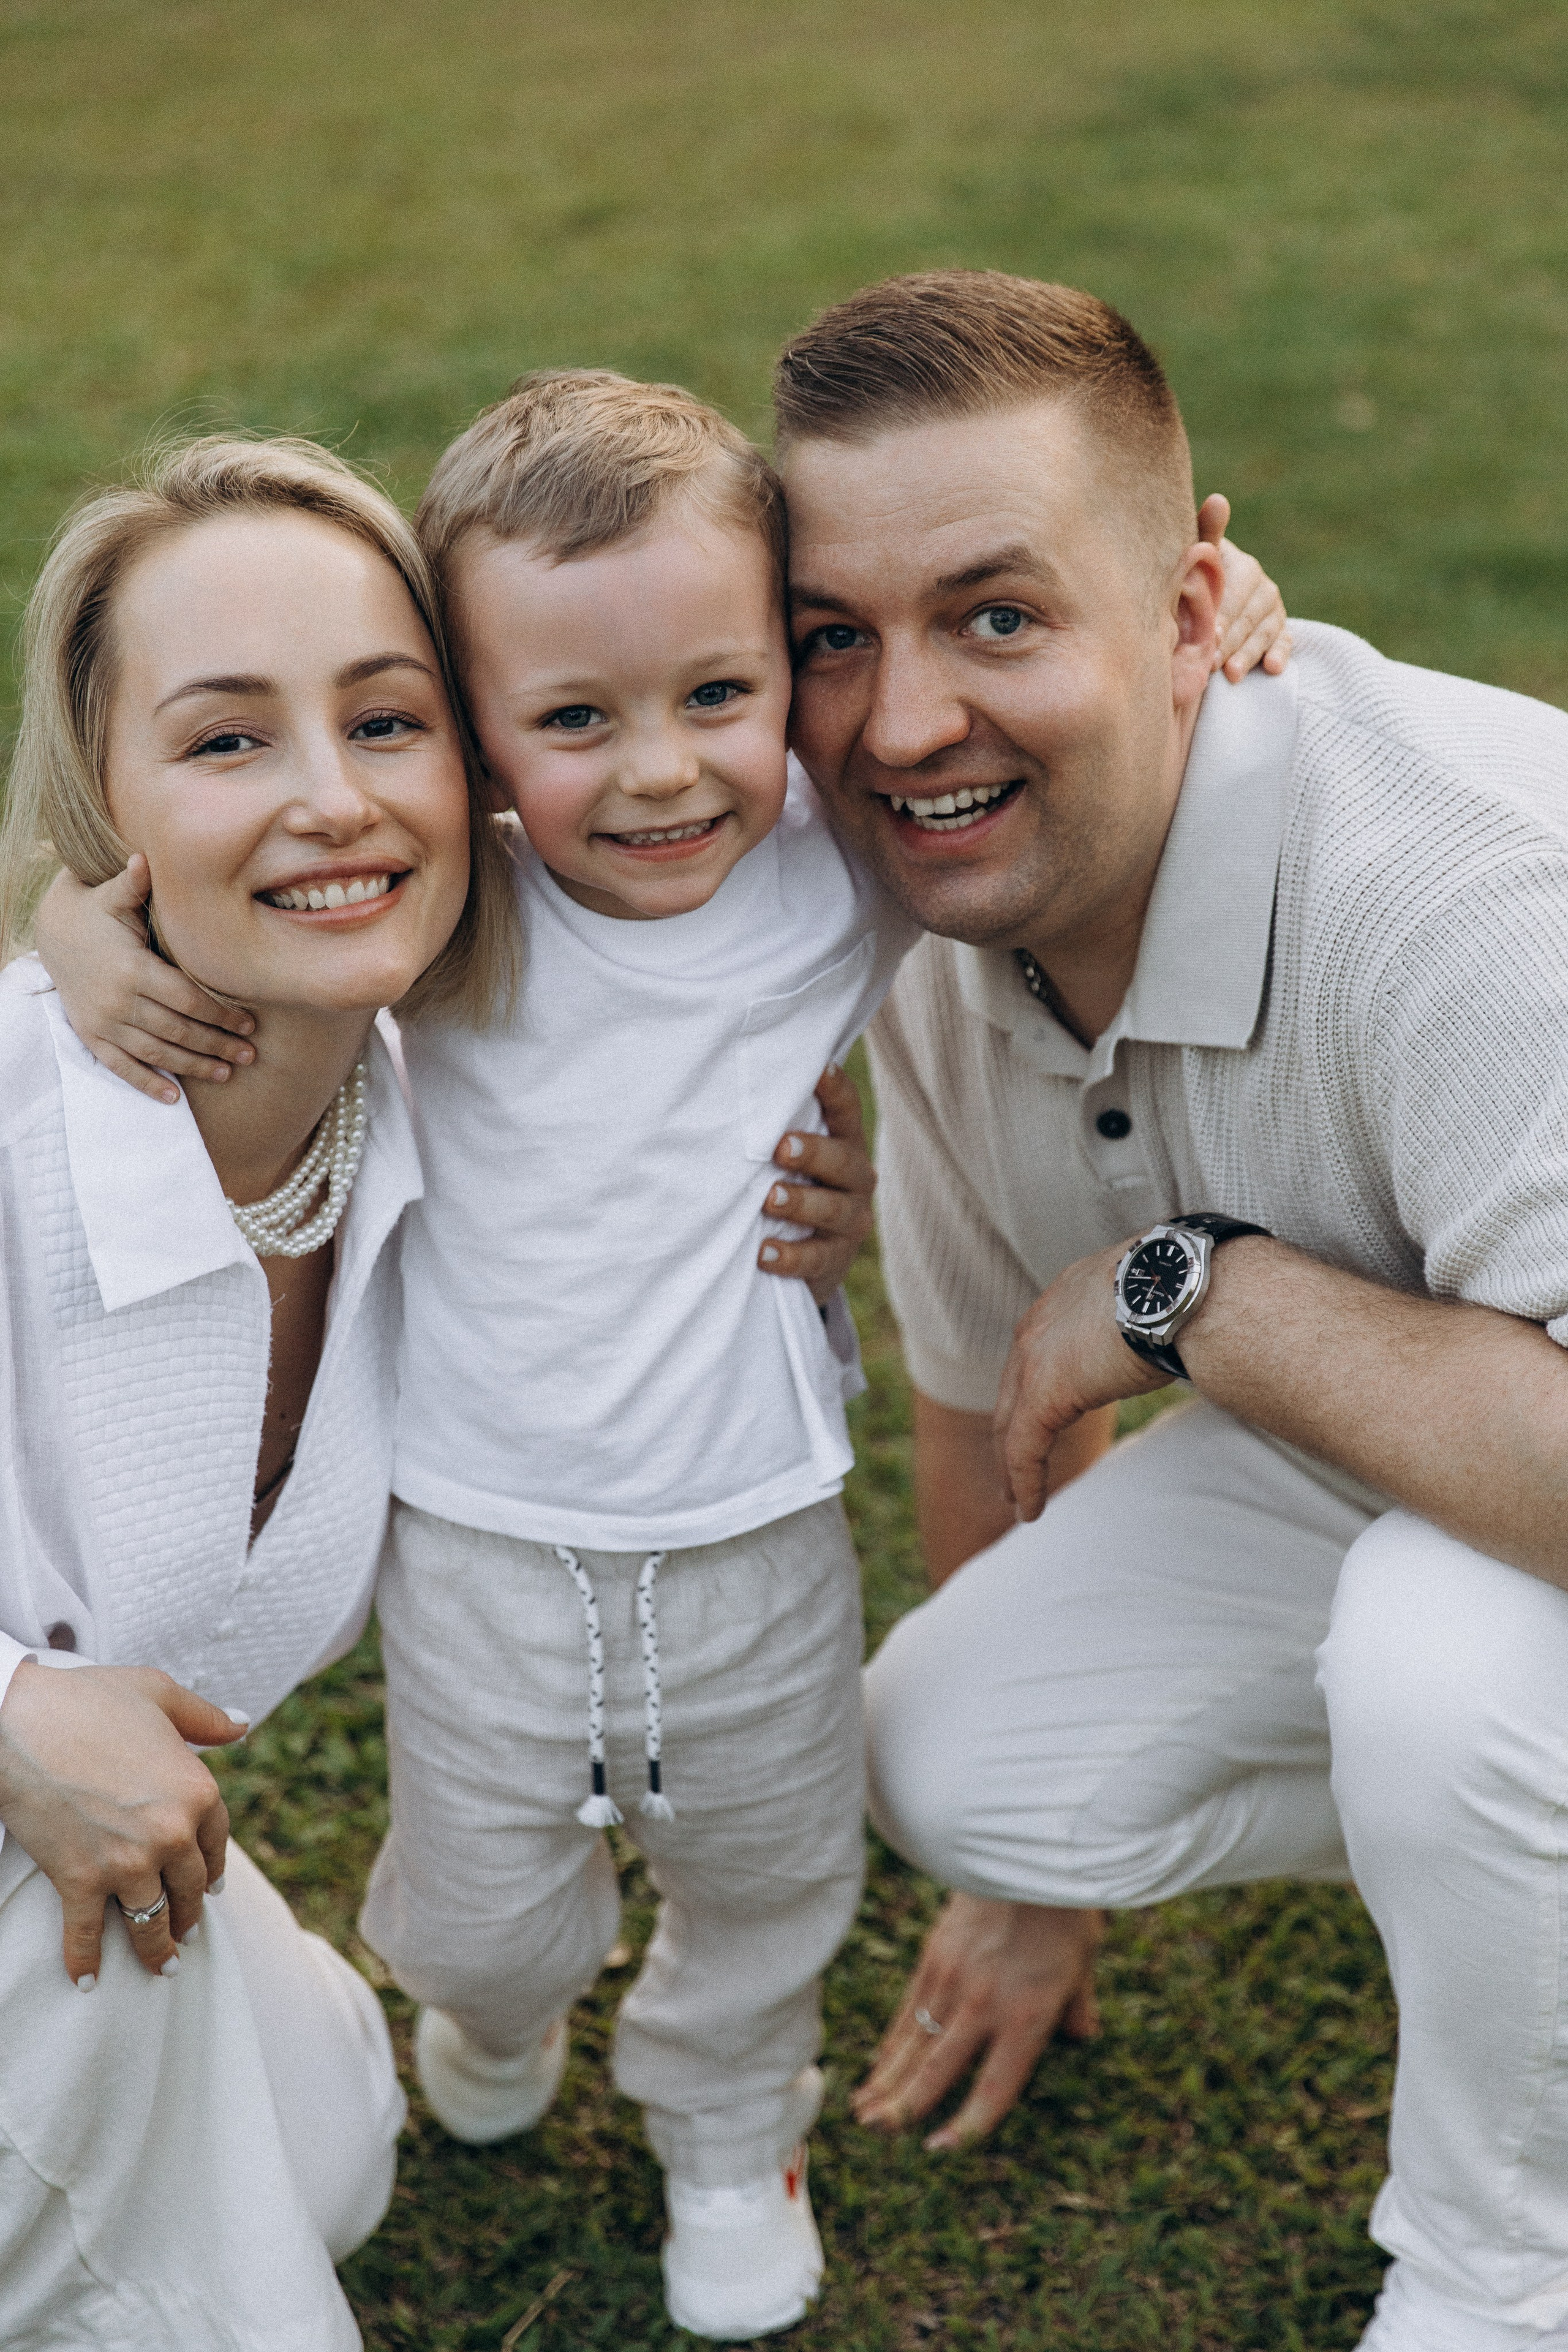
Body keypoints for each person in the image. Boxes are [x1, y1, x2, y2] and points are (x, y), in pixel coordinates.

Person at [33, 367, 1286, 2343]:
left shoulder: (832, 862)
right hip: (484, 1537)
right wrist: (73, 923)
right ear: (476, 730)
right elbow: (226, 890)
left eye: (718, 695)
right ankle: (498, 2017)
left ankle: (726, 2130)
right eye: (571, 722)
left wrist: (1249, 615)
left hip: (754, 1519)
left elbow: (1049, 738)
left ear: (783, 673)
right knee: (480, 1897)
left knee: (775, 1869)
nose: (658, 777)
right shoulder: (454, 925)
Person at [774, 268, 1568, 2352]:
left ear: (1202, 610)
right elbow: (980, 1404)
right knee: (958, 1756)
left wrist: (1198, 1296)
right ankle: (1498, 1848)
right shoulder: (944, 911)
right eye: (833, 639)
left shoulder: (1475, 902)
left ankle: (1504, 2273)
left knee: (1446, 1672)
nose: (906, 720)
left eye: (997, 614)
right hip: (1420, 1445)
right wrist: (1031, 1893)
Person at [0, 432, 515, 2349]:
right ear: (103, 799)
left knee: (330, 2143)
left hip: (104, 1867)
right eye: (226, 742)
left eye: (388, 721)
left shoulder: (459, 1085)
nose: (332, 802)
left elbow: (720, 758)